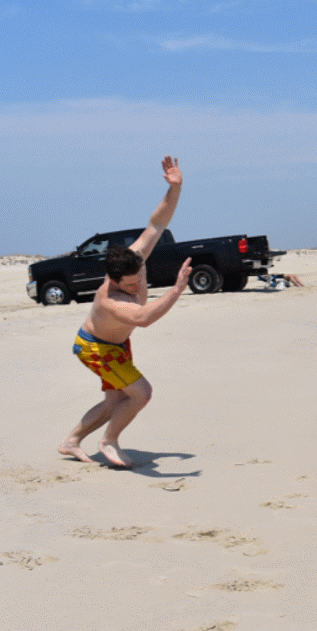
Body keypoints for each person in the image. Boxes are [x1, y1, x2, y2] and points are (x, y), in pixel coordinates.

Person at [58, 156, 193, 468]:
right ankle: (109, 441)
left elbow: (157, 223)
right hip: (95, 347)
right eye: (130, 285)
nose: (136, 288)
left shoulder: (134, 259)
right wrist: (176, 290)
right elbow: (143, 318)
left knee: (114, 402)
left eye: (138, 281)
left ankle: (70, 442)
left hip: (117, 344)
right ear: (113, 279)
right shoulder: (110, 299)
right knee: (141, 393)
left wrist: (175, 188)